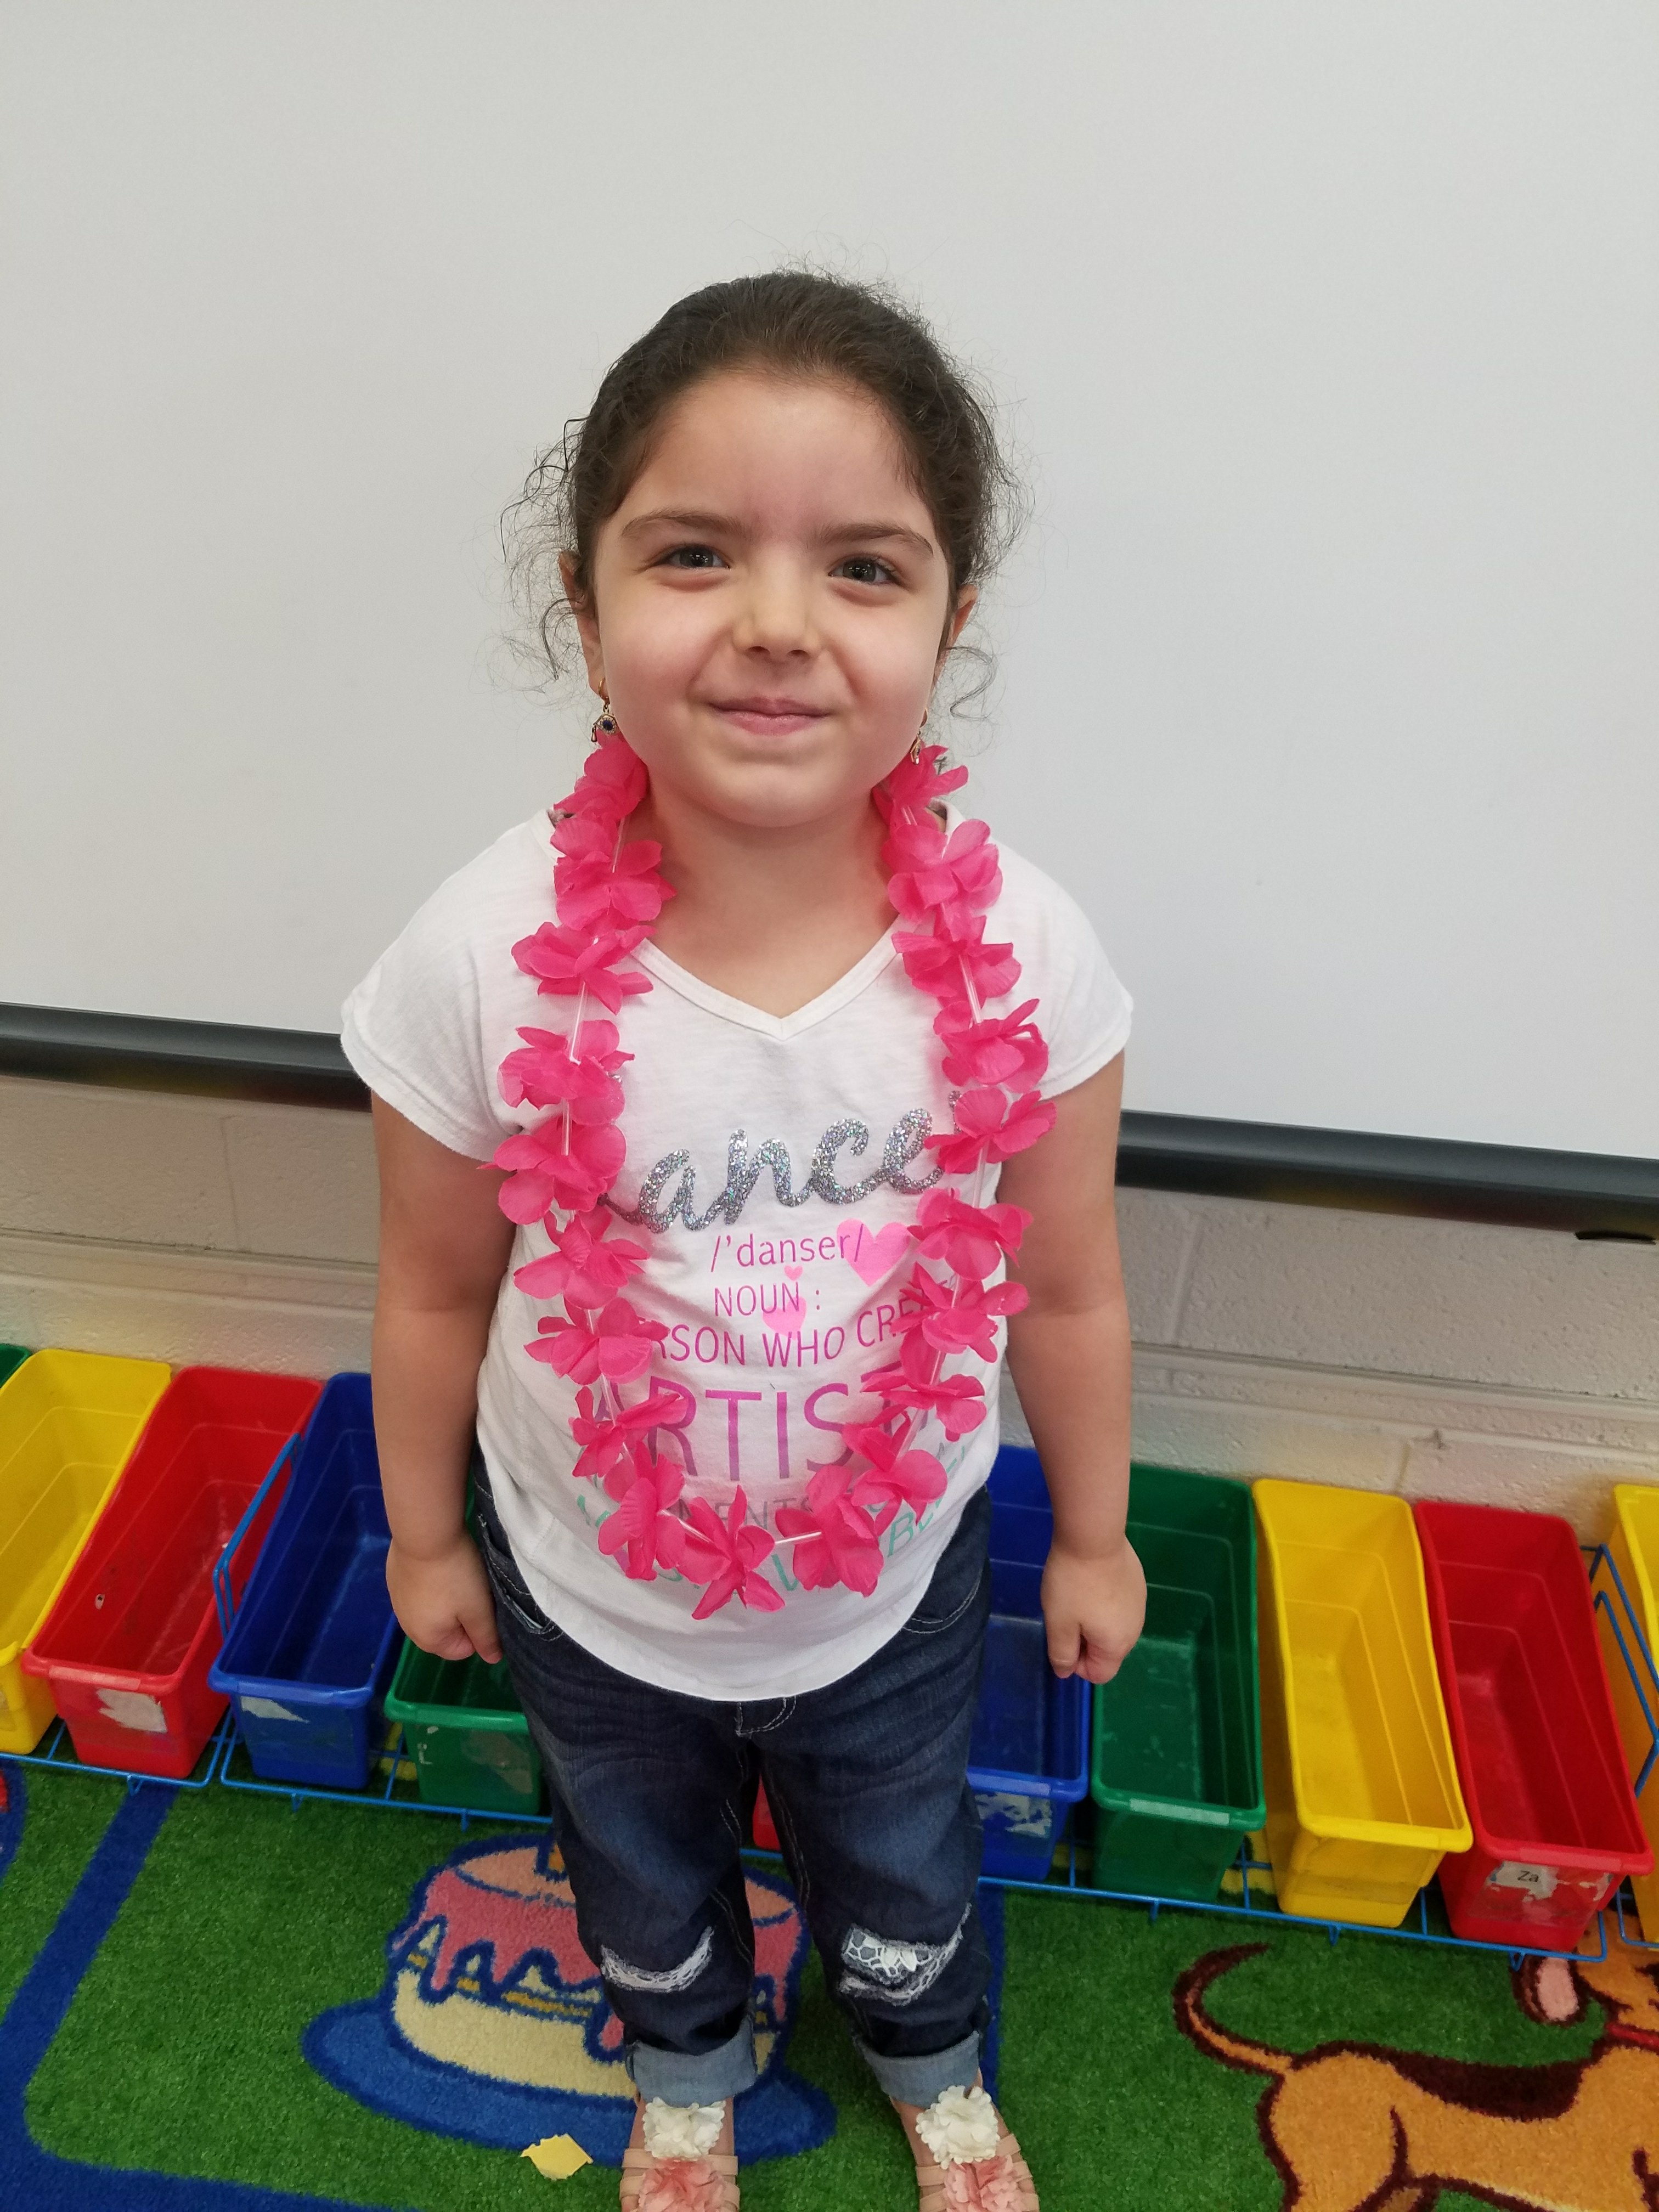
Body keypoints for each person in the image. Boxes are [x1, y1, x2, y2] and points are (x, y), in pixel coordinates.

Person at [343, 269, 1144, 2212]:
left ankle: (930, 2062)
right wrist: (431, 1535)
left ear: (952, 616)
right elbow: (436, 1284)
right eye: (695, 552)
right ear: (583, 597)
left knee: (904, 1856)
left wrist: (1098, 1532)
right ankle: (688, 2070)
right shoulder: (480, 953)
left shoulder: (1022, 951)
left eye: (864, 567)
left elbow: (1064, 1282)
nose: (778, 623)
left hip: (890, 1586)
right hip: (589, 1587)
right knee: (633, 1864)